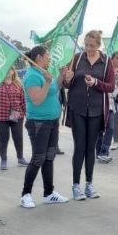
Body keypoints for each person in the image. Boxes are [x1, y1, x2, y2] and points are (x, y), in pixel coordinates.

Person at [61, 30, 116, 200]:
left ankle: (89, 184)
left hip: (96, 110)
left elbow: (111, 86)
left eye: (92, 46)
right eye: (86, 45)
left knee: (90, 148)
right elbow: (66, 84)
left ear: (99, 45)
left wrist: (96, 83)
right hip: (77, 109)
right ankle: (76, 186)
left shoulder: (106, 62)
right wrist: (67, 79)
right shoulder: (77, 59)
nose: (88, 48)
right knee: (79, 147)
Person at [20, 46, 70, 208]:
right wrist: (48, 82)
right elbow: (37, 100)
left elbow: (54, 90)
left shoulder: (44, 73)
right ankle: (25, 195)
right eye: (48, 55)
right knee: (38, 158)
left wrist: (60, 77)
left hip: (52, 121)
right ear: (40, 57)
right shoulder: (32, 76)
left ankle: (49, 193)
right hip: (38, 123)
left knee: (49, 157)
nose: (50, 58)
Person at [0, 68, 28, 170]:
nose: (8, 70)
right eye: (6, 68)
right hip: (1, 115)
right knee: (3, 138)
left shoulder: (18, 85)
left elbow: (23, 101)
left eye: (10, 68)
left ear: (13, 72)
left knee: (18, 137)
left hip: (15, 114)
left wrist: (26, 114)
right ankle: (3, 160)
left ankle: (20, 158)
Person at [96, 52, 118, 163]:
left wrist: (111, 89)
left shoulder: (113, 75)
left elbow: (114, 91)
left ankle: (104, 151)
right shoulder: (98, 73)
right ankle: (99, 152)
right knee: (100, 130)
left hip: (110, 106)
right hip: (99, 105)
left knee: (110, 127)